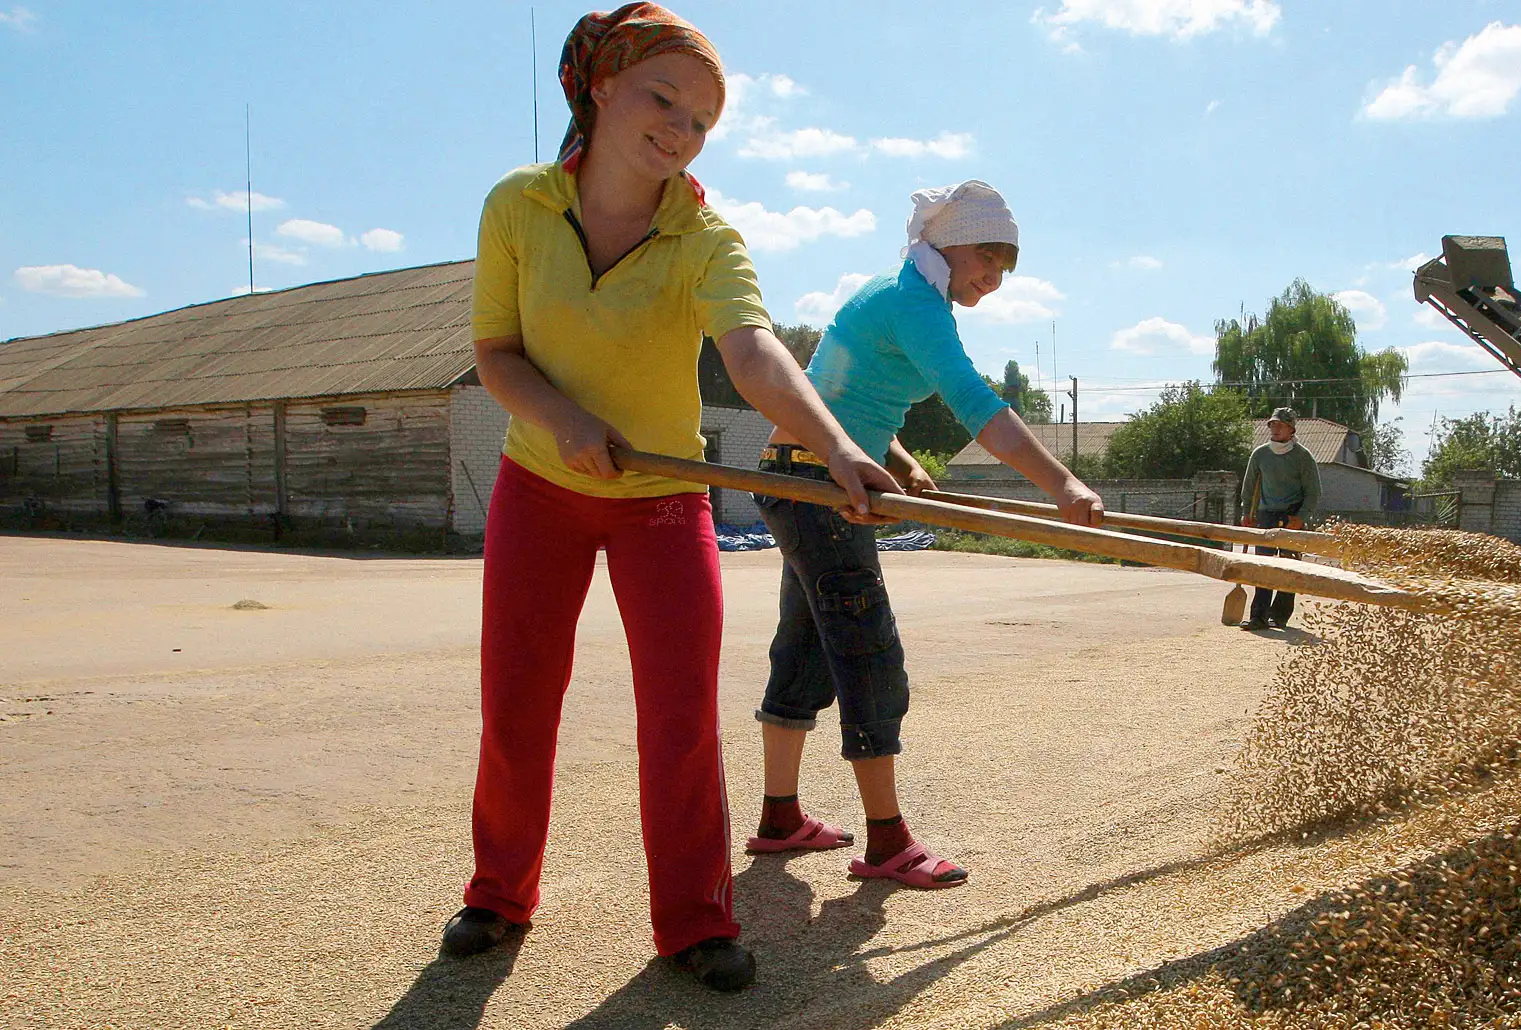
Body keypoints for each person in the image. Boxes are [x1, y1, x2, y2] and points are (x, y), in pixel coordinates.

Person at [440, 3, 898, 992]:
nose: (681, 130)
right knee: (517, 702)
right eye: (664, 98)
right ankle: (497, 892)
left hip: (662, 498)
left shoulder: (704, 237)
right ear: (601, 86)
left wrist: (834, 446)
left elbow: (754, 352)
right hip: (540, 489)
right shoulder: (518, 207)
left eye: (701, 120)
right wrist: (565, 419)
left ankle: (694, 920)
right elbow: (494, 354)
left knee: (680, 713)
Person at [744, 180, 1105, 890]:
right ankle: (887, 843)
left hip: (799, 474)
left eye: (1005, 269)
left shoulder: (899, 293)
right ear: (951, 243)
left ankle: (780, 818)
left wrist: (900, 461)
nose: (994, 281)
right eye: (988, 263)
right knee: (867, 650)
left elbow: (848, 390)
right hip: (820, 486)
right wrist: (1061, 484)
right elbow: (977, 404)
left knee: (808, 644)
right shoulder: (916, 305)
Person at [1237, 407, 1320, 631]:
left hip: (1292, 514)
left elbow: (1313, 492)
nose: (1275, 429)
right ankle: (1258, 616)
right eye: (1273, 425)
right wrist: (1247, 512)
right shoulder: (1260, 454)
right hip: (1265, 514)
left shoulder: (1303, 457)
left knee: (1287, 568)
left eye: (1280, 425)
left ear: (1291, 429)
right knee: (1263, 567)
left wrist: (1301, 518)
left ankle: (1279, 616)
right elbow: (1249, 486)